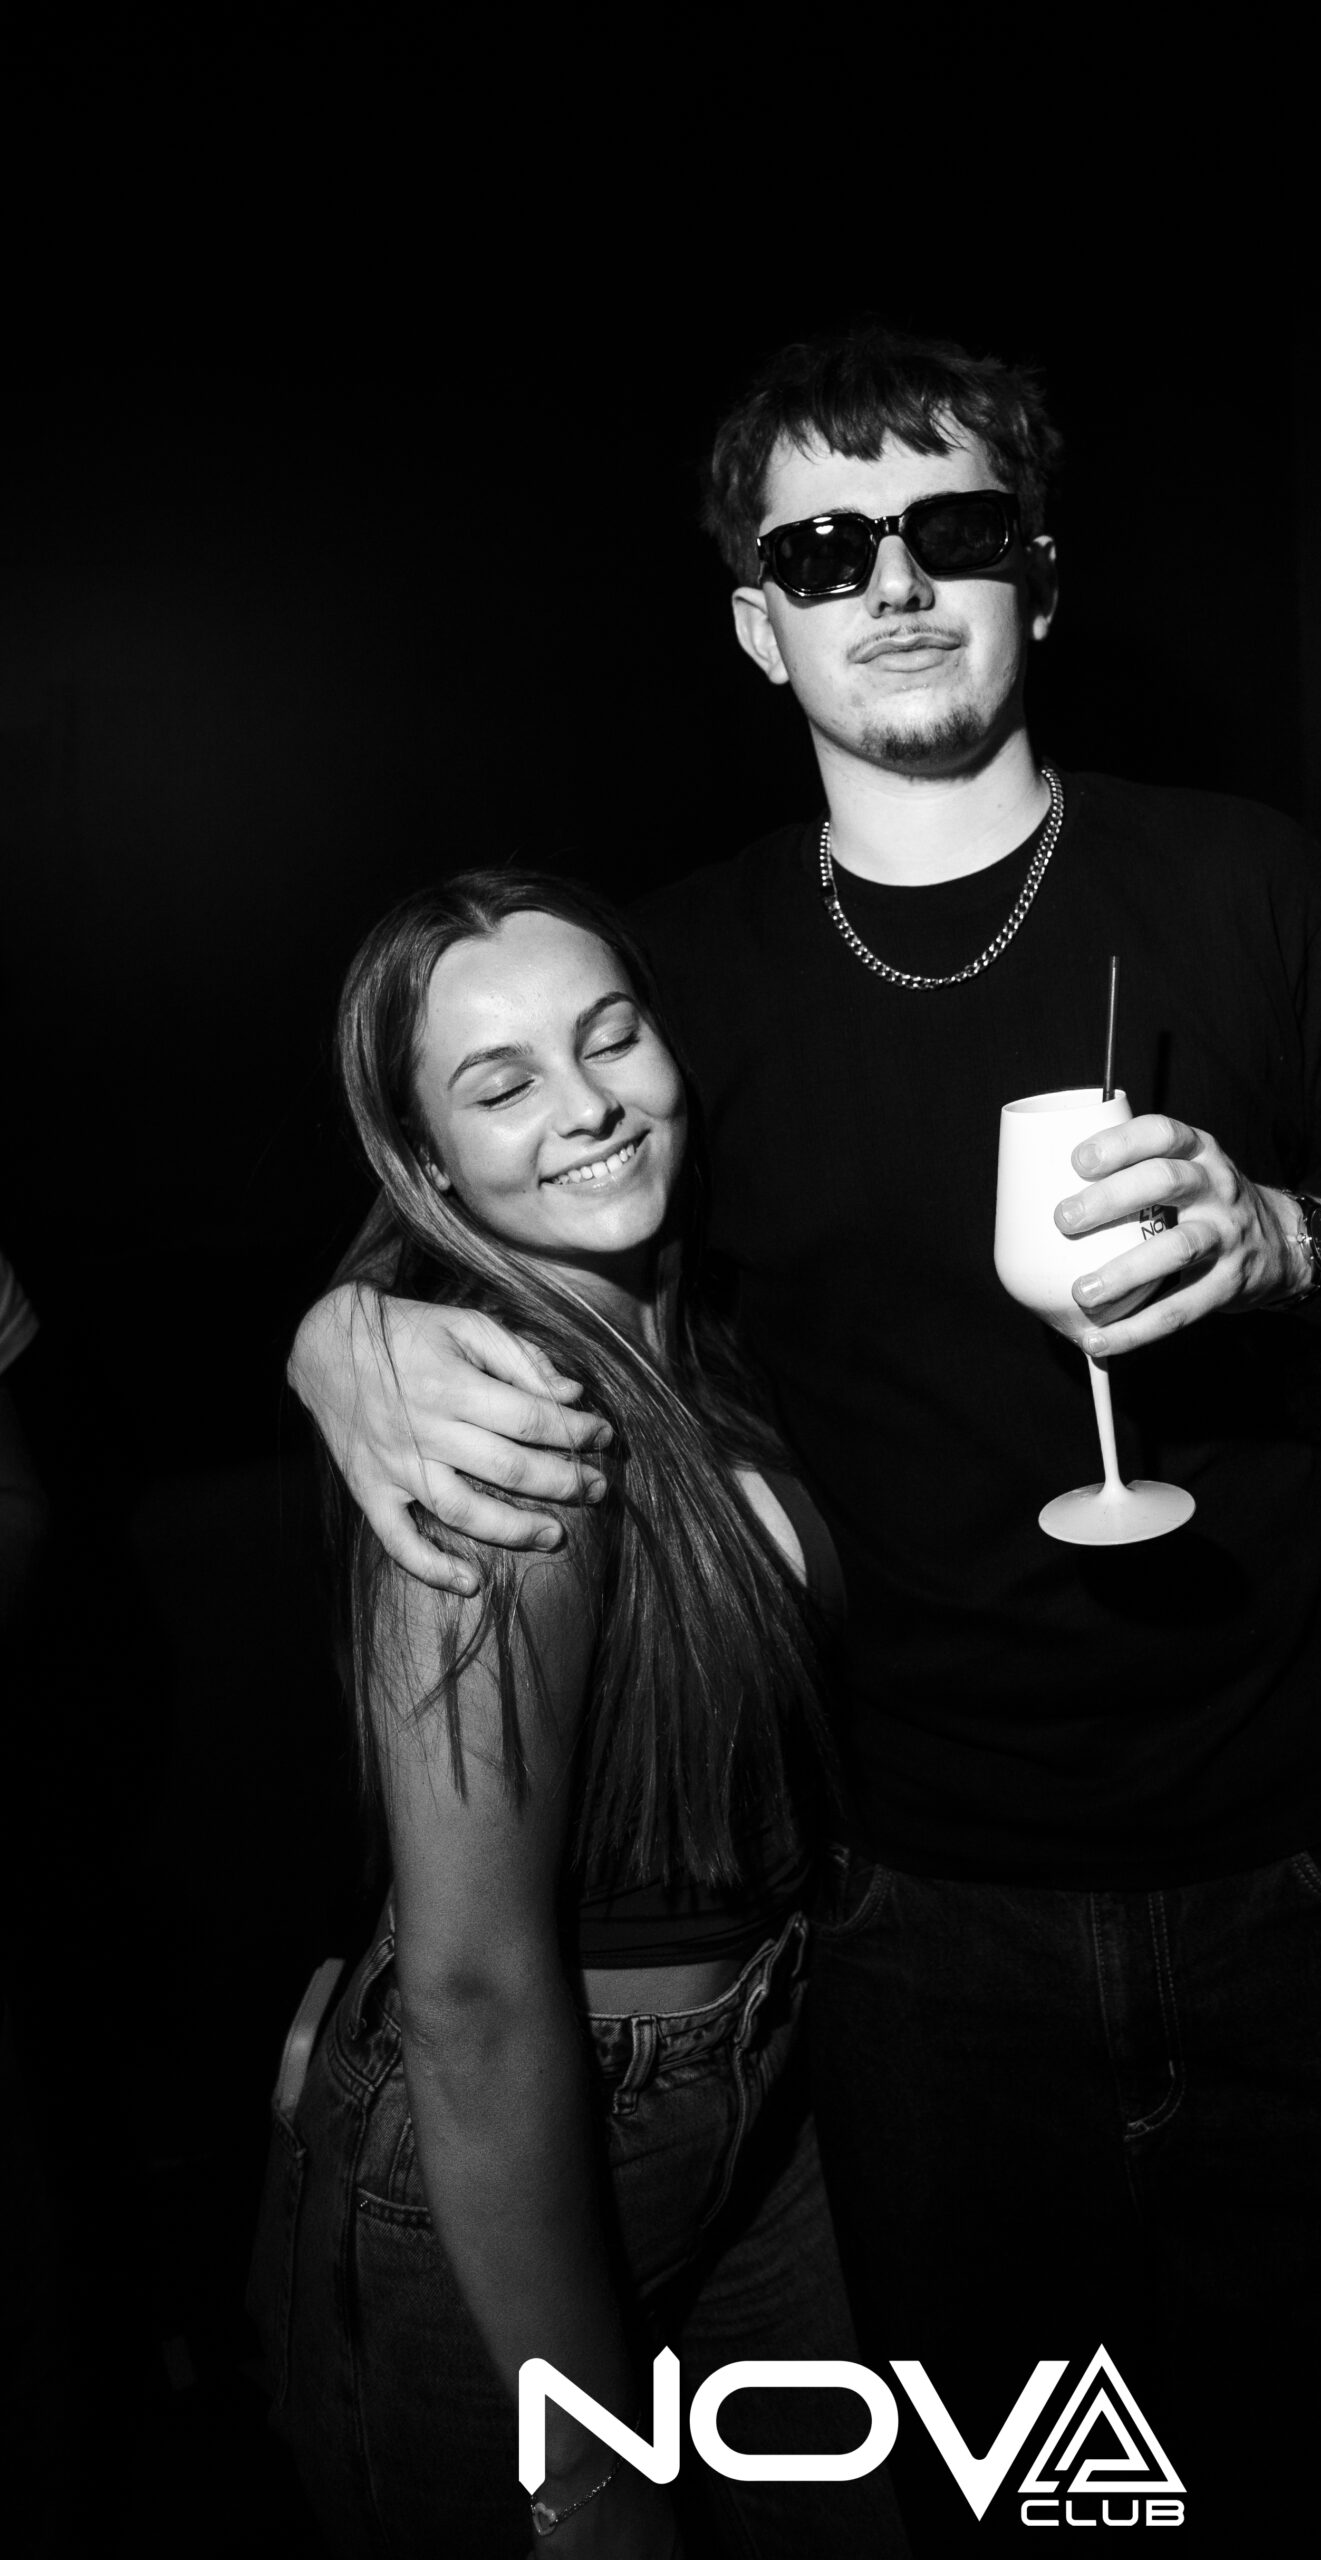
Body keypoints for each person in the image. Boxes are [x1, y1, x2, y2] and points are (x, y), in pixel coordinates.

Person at [290, 328, 1321, 2556]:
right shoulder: (680, 974)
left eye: (952, 528)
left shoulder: (1242, 876)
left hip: (1308, 1861)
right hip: (922, 1916)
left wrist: (1286, 1239)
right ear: (760, 623)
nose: (896, 585)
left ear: (1040, 572)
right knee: (1034, 2502)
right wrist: (334, 1331)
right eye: (824, 550)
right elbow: (514, 1197)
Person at [255, 871, 908, 2560]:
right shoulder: (498, 1430)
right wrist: (588, 2467)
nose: (589, 1105)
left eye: (608, 1037)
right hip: (529, 2143)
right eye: (503, 1084)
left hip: (765, 2084)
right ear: (424, 1163)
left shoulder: (703, 1323)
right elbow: (472, 1990)